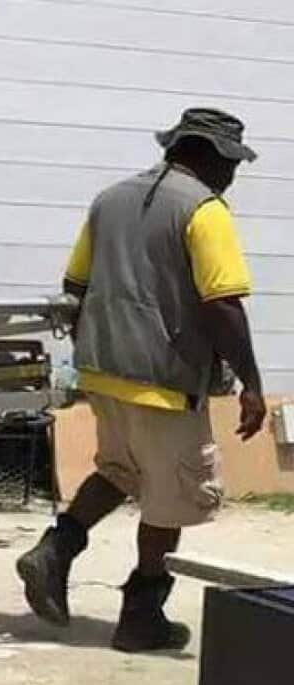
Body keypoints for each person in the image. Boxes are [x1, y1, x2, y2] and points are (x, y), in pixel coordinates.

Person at [17, 108, 266, 653]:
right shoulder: (205, 209)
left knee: (120, 470)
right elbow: (223, 302)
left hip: (104, 371)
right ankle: (141, 615)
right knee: (172, 498)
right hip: (164, 379)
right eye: (230, 163)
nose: (232, 176)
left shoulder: (108, 200)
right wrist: (251, 382)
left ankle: (56, 548)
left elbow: (74, 282)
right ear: (208, 155)